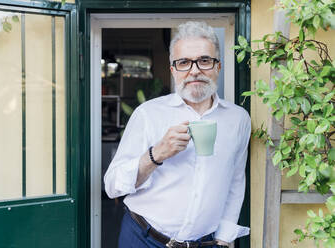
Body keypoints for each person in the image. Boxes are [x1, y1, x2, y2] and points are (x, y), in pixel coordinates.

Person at [104, 21, 251, 248]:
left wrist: (224, 238)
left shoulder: (238, 119)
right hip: (143, 239)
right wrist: (157, 154)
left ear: (218, 67)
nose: (194, 71)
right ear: (173, 70)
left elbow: (235, 181)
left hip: (206, 243)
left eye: (204, 60)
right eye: (184, 62)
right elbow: (113, 185)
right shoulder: (148, 114)